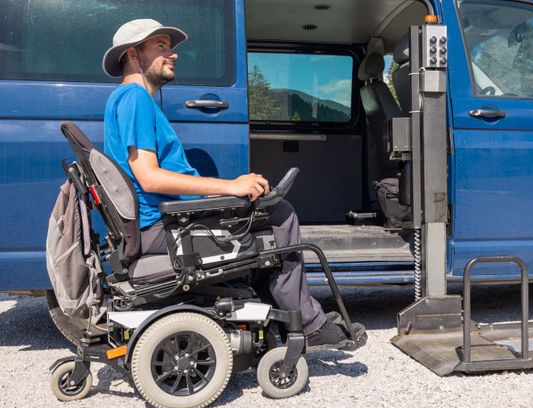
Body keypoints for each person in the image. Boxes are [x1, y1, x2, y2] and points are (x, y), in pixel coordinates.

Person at [101, 19, 357, 347]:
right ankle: (307, 324)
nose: (173, 54)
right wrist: (230, 187)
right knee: (281, 215)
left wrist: (230, 187)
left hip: (156, 223)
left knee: (266, 211)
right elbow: (149, 177)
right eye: (161, 46)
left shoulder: (127, 99)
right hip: (160, 230)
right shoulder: (134, 99)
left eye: (171, 47)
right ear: (134, 54)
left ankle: (288, 314)